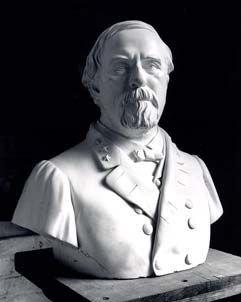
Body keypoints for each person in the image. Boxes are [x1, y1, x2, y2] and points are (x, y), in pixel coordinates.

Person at [12, 20, 223, 279]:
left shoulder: (196, 169)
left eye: (152, 65)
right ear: (95, 86)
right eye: (121, 67)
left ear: (166, 81)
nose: (138, 79)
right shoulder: (57, 178)